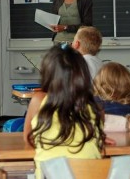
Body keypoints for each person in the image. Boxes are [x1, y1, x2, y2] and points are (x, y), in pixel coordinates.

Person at [23, 44, 105, 179]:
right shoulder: (96, 107)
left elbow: (28, 139)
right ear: (83, 74)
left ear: (47, 73)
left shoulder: (38, 101)